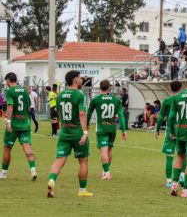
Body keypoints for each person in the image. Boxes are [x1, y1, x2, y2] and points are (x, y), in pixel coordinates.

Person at [47, 70, 93, 198]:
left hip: (64, 132)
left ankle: (51, 180)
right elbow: (82, 113)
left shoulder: (60, 95)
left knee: (59, 160)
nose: (81, 80)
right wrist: (85, 132)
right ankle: (82, 190)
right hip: (77, 132)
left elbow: (58, 112)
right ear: (74, 80)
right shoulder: (79, 95)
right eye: (79, 78)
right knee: (83, 162)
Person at [87, 80, 127, 180]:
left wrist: (86, 124)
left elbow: (89, 113)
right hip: (112, 128)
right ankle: (105, 171)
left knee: (103, 150)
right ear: (109, 87)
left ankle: (107, 172)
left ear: (100, 88)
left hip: (101, 128)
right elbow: (121, 116)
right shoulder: (116, 100)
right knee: (109, 149)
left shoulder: (95, 100)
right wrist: (124, 130)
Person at [0, 72, 37, 180]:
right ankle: (33, 170)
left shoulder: (10, 91)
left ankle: (4, 173)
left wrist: (8, 121)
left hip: (14, 125)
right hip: (25, 124)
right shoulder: (25, 91)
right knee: (27, 148)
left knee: (7, 148)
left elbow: (10, 107)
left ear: (8, 80)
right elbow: (29, 106)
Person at [155, 81, 185, 188]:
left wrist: (157, 129)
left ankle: (169, 181)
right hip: (182, 130)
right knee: (182, 155)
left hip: (170, 132)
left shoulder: (167, 101)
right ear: (181, 88)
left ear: (169, 89)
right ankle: (182, 175)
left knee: (169, 157)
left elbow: (161, 116)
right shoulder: (183, 99)